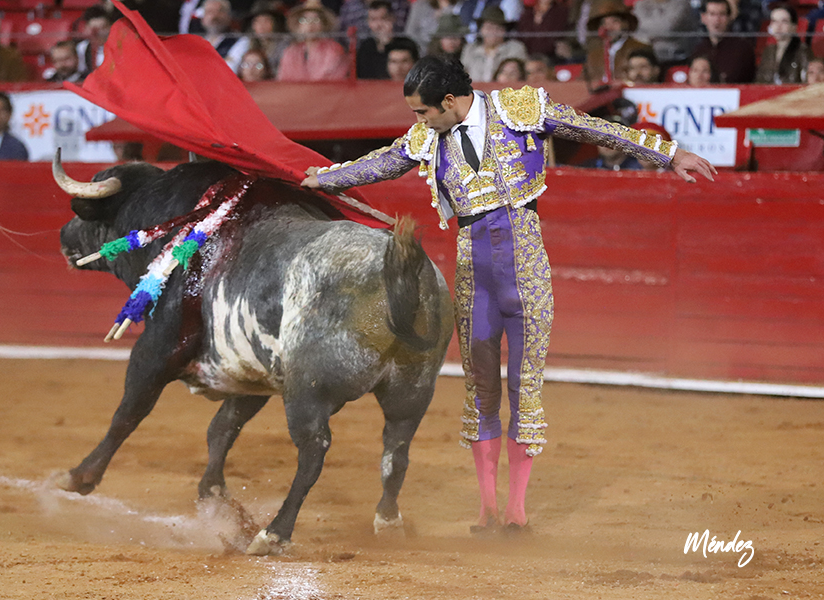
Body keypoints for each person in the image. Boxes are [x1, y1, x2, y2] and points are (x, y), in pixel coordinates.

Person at [300, 56, 715, 534]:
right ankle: (486, 509)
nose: (419, 121)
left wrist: (669, 154)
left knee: (525, 386)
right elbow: (383, 162)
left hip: (526, 265)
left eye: (423, 112)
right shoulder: (428, 137)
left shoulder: (521, 108)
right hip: (473, 270)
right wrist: (323, 178)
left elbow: (594, 129)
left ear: (449, 101)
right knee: (481, 388)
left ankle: (516, 510)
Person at [277, 0, 350, 81]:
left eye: (316, 20)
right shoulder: (291, 51)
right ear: (299, 26)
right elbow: (283, 78)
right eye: (304, 20)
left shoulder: (334, 49)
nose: (310, 24)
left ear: (323, 24)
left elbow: (335, 77)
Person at [583, 0, 652, 84]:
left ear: (625, 24)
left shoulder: (640, 48)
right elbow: (583, 81)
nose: (608, 27)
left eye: (614, 21)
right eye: (604, 23)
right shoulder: (593, 56)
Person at [690, 0, 755, 84]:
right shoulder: (698, 49)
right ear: (703, 18)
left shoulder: (743, 49)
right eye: (712, 14)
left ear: (729, 18)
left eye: (722, 14)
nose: (717, 20)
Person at [460, 5, 527, 82]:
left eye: (498, 28)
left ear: (505, 31)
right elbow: (462, 74)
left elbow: (522, 76)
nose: (493, 32)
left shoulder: (515, 48)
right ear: (481, 30)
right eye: (489, 28)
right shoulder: (470, 49)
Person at [357, 1, 416, 79]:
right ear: (368, 22)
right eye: (373, 20)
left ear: (392, 19)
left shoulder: (407, 44)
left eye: (383, 18)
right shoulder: (365, 46)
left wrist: (387, 43)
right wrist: (382, 46)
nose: (378, 25)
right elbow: (364, 77)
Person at [755, 4, 811, 85]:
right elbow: (760, 80)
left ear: (794, 26)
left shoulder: (802, 51)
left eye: (784, 21)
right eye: (774, 21)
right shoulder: (768, 51)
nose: (778, 26)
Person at [631, 0, 697, 64]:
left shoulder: (682, 4)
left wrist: (646, 30)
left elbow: (668, 28)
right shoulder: (640, 5)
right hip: (648, 57)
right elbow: (635, 27)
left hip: (677, 57)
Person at [76, 4, 114, 77]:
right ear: (87, 28)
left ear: (110, 26)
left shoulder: (118, 46)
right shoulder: (82, 48)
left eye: (103, 28)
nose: (98, 33)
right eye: (94, 29)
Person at [339, 0, 409, 39]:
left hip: (394, 49)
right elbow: (342, 37)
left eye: (383, 18)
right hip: (359, 53)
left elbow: (406, 36)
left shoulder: (400, 4)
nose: (378, 24)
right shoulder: (349, 7)